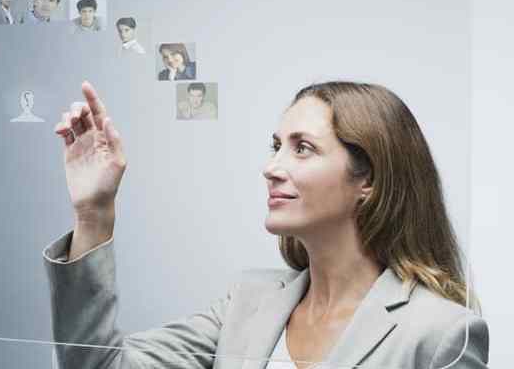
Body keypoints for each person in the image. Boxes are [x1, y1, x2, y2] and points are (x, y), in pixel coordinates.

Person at [46, 81, 489, 368]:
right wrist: (94, 213)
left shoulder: (439, 333)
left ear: (368, 179)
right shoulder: (247, 302)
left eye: (302, 149)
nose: (271, 168)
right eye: (276, 146)